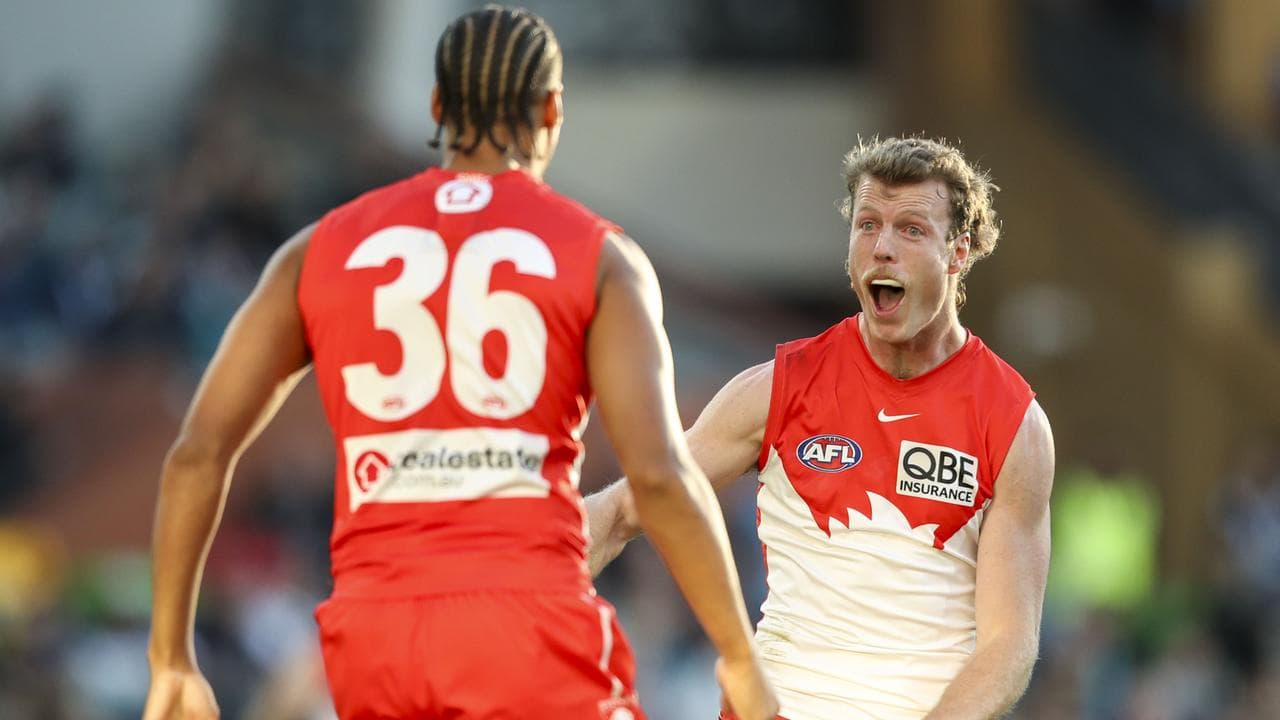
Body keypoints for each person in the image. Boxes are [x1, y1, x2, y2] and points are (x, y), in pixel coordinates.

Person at [143, 6, 778, 720]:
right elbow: (660, 475)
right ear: (552, 108)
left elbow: (197, 455)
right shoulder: (601, 258)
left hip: (371, 634)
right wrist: (738, 653)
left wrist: (171, 658)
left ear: (438, 106)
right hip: (527, 622)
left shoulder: (314, 251)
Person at [586, 136, 1055, 719]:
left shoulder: (1014, 423)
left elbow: (1009, 644)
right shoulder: (775, 389)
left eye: (910, 229)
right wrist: (515, 564)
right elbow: (624, 510)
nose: (882, 248)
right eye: (867, 225)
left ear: (957, 253)